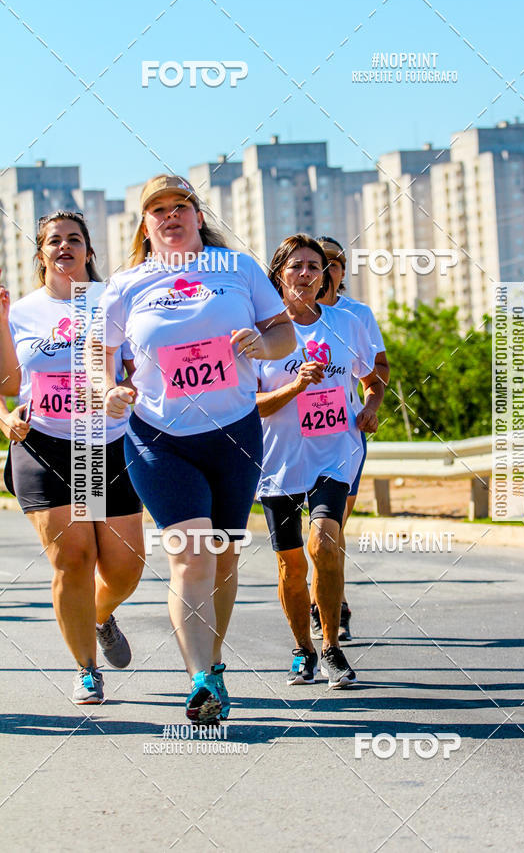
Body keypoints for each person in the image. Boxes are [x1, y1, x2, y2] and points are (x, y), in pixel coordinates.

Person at [94, 174, 295, 725]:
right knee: (189, 553)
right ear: (145, 223)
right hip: (159, 438)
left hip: (234, 432)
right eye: (157, 209)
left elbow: (284, 334)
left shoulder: (239, 270)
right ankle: (200, 679)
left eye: (179, 206)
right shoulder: (127, 285)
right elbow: (97, 355)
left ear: (198, 215)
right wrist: (109, 388)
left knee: (224, 557)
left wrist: (264, 342)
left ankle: (213, 661)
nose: (170, 216)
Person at [0, 211, 145, 705]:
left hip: (106, 442)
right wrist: (5, 421)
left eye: (75, 239)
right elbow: (6, 387)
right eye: (54, 240)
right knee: (74, 559)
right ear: (40, 253)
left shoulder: (112, 301)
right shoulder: (21, 312)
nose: (65, 247)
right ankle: (87, 669)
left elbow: (140, 365)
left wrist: (129, 388)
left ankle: (100, 615)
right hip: (45, 445)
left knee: (125, 568)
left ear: (88, 250)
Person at [255, 234, 379, 688]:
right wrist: (295, 388)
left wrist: (370, 406)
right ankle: (301, 649)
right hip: (279, 461)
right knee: (291, 567)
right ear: (278, 276)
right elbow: (252, 405)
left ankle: (330, 646)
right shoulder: (260, 334)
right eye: (296, 267)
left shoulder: (345, 324)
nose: (306, 274)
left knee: (325, 545)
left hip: (334, 451)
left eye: (314, 266)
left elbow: (373, 374)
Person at [309, 236, 390, 642]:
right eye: (319, 263)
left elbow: (377, 370)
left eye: (335, 263)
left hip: (343, 437)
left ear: (341, 272)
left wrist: (370, 409)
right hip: (293, 444)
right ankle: (321, 602)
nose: (327, 270)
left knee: (332, 528)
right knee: (307, 540)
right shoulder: (282, 317)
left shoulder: (356, 315)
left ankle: (331, 605)